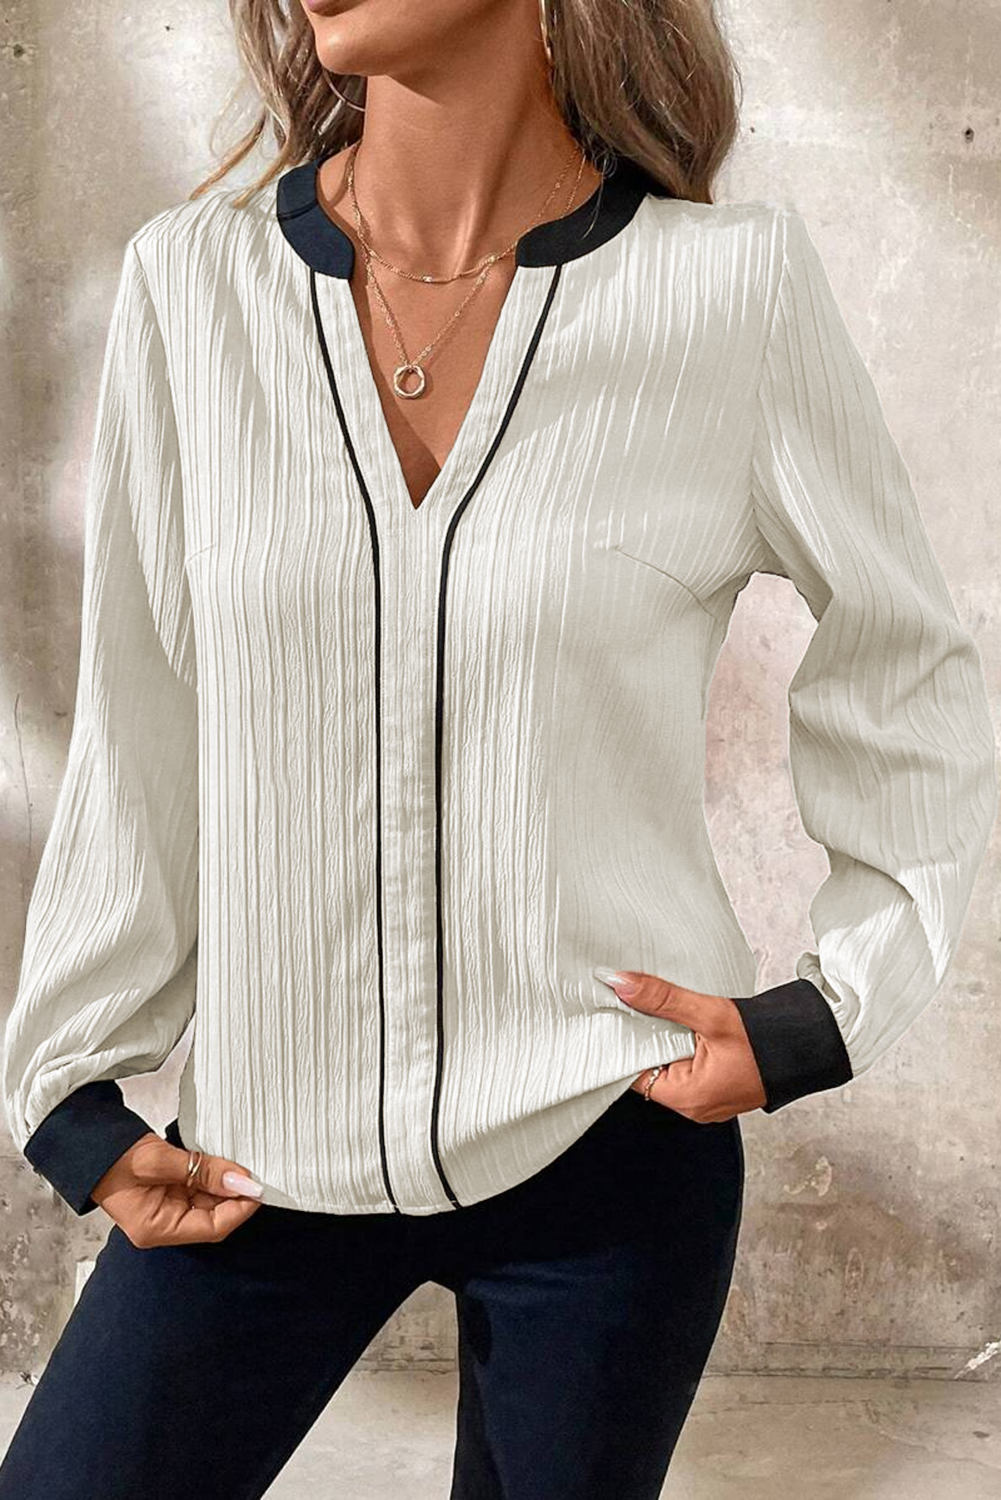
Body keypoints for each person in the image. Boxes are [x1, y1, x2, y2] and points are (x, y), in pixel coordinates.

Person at [1, 1, 996, 1496]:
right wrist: (75, 1079)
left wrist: (827, 1008)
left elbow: (909, 658)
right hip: (268, 1149)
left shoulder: (725, 292)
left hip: (614, 1138)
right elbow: (141, 715)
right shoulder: (191, 286)